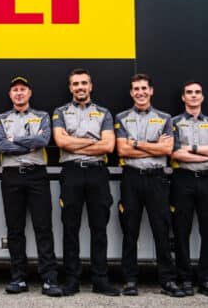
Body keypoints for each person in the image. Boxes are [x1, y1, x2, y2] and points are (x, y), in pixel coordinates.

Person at [114, 73, 184, 297]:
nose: (140, 92)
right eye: (136, 89)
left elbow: (167, 150)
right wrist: (153, 146)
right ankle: (130, 280)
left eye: (144, 88)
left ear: (151, 91)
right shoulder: (122, 117)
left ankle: (168, 280)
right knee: (129, 230)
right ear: (131, 92)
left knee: (161, 230)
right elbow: (122, 150)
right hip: (131, 178)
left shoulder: (165, 118)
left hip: (157, 179)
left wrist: (136, 143)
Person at [51, 69, 119, 297]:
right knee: (70, 228)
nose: (80, 87)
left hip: (97, 173)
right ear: (70, 88)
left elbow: (108, 146)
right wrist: (92, 141)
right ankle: (72, 280)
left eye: (83, 83)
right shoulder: (60, 112)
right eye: (75, 84)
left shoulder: (104, 113)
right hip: (71, 173)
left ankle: (100, 279)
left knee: (99, 228)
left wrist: (75, 143)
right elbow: (61, 142)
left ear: (90, 86)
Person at [0, 76, 62, 297]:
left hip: (37, 175)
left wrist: (14, 140)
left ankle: (49, 278)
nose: (19, 93)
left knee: (43, 227)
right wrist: (28, 142)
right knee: (15, 229)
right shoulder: (0, 118)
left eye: (23, 89)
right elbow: (0, 145)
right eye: (15, 90)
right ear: (10, 95)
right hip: (11, 176)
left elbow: (43, 142)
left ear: (29, 93)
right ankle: (18, 278)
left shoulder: (42, 116)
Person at [169, 81, 208, 296]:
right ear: (183, 97)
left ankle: (207, 279)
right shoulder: (173, 122)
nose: (193, 95)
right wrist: (206, 152)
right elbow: (175, 152)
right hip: (182, 179)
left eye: (197, 92)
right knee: (181, 230)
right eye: (189, 92)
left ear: (202, 97)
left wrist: (191, 148)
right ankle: (185, 279)